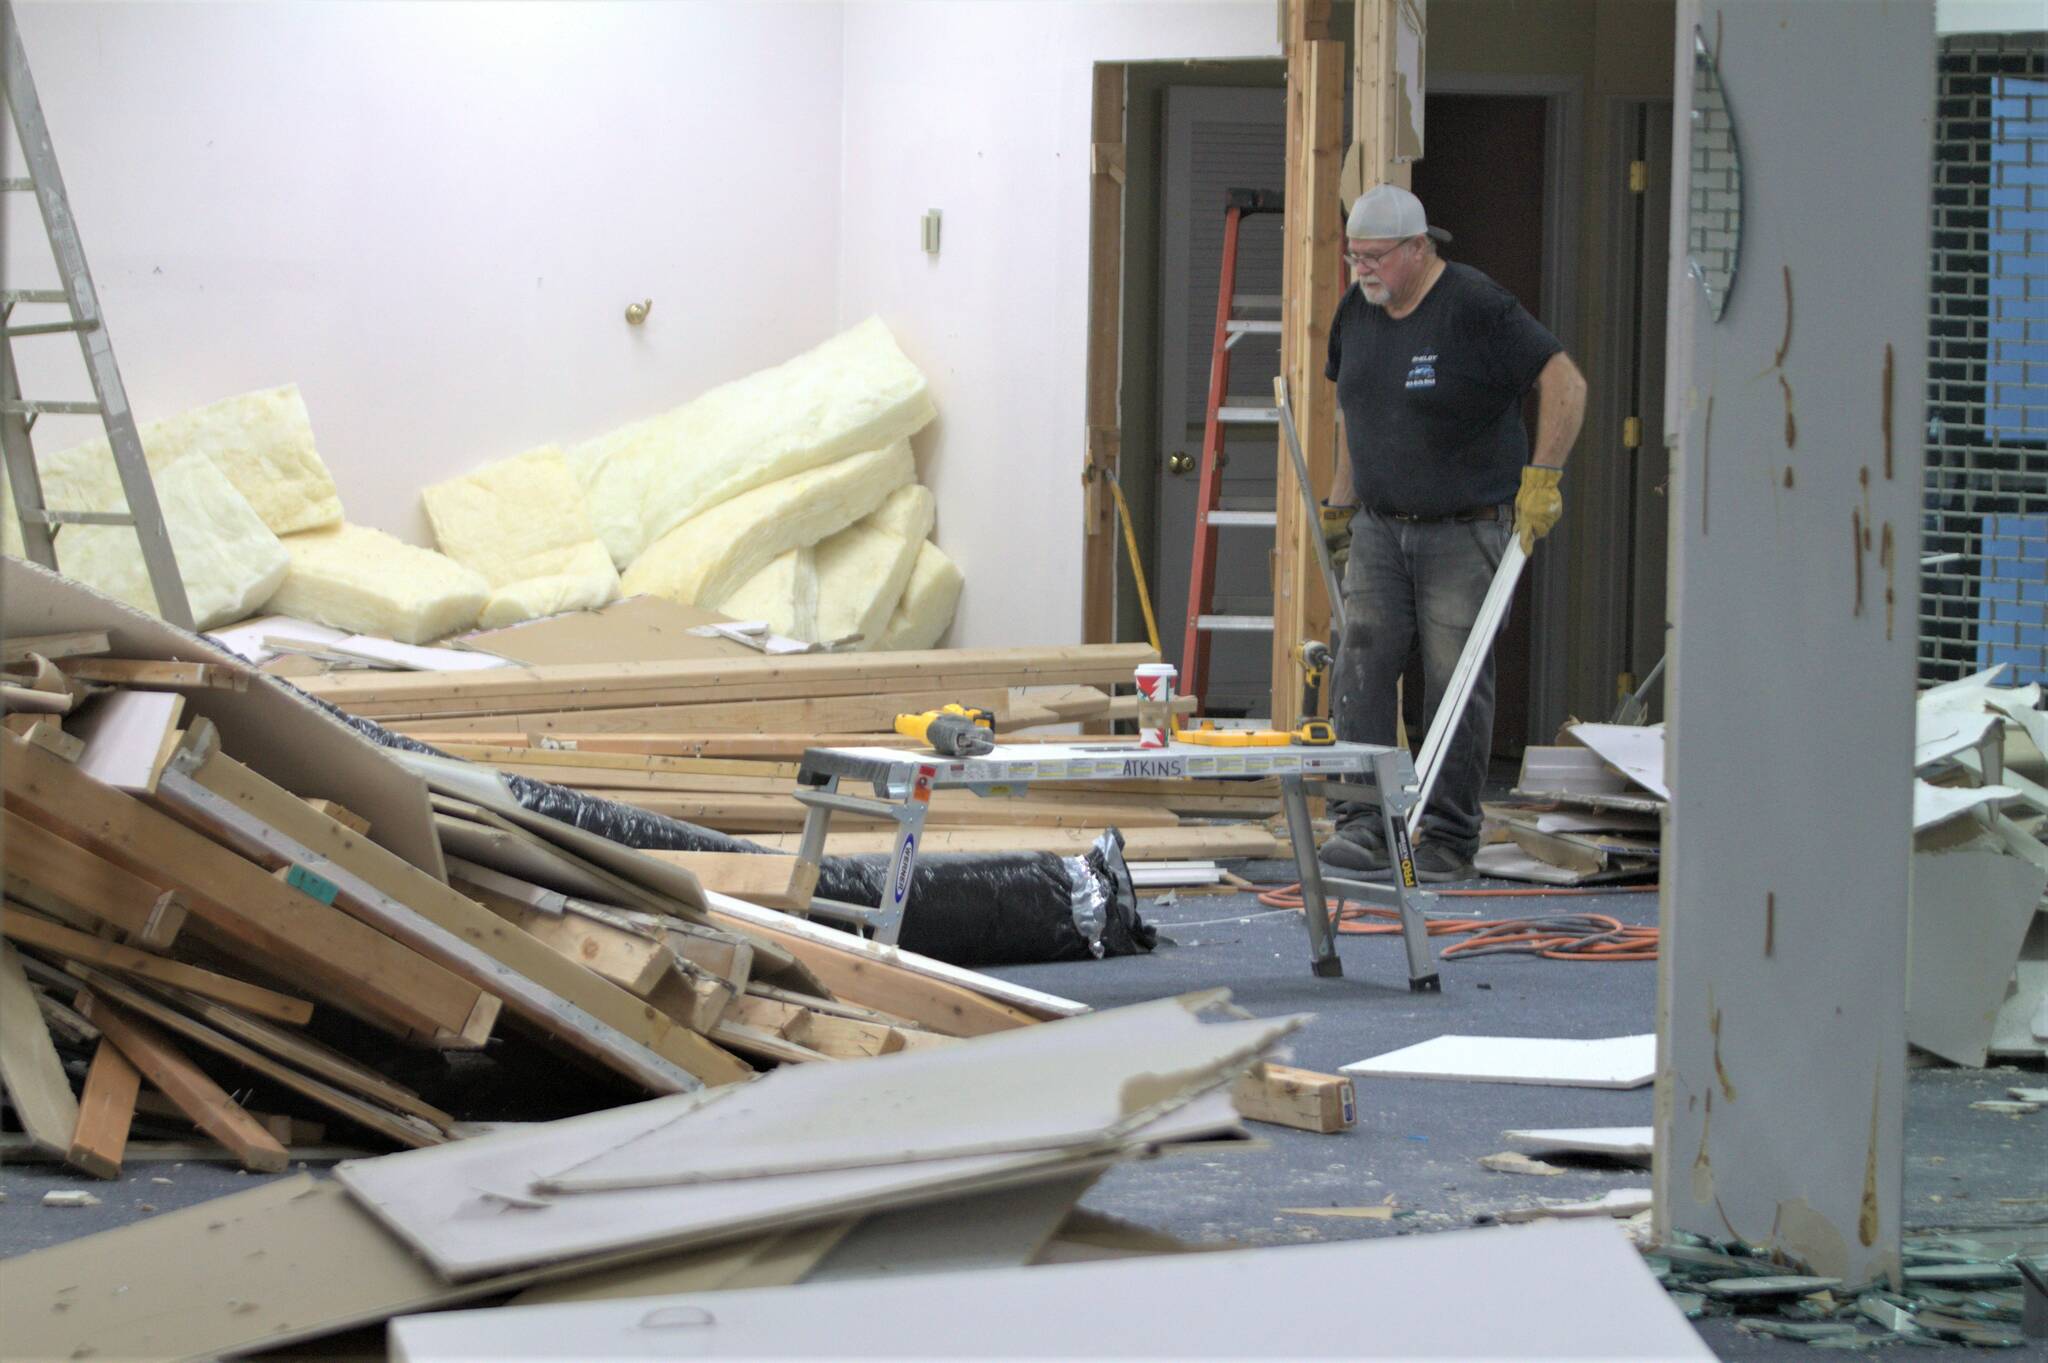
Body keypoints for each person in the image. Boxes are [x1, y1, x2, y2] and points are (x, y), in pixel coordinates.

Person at [1318, 183, 1587, 882]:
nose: (1362, 270)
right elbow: (1355, 412)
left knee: (1455, 683)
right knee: (1361, 666)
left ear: (1418, 247)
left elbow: (1565, 381)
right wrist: (1341, 507)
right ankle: (1362, 821)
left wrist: (1544, 476)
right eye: (1354, 256)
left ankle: (1444, 835)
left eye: (1375, 256)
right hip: (1381, 526)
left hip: (1465, 528)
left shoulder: (1475, 306)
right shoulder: (1357, 312)